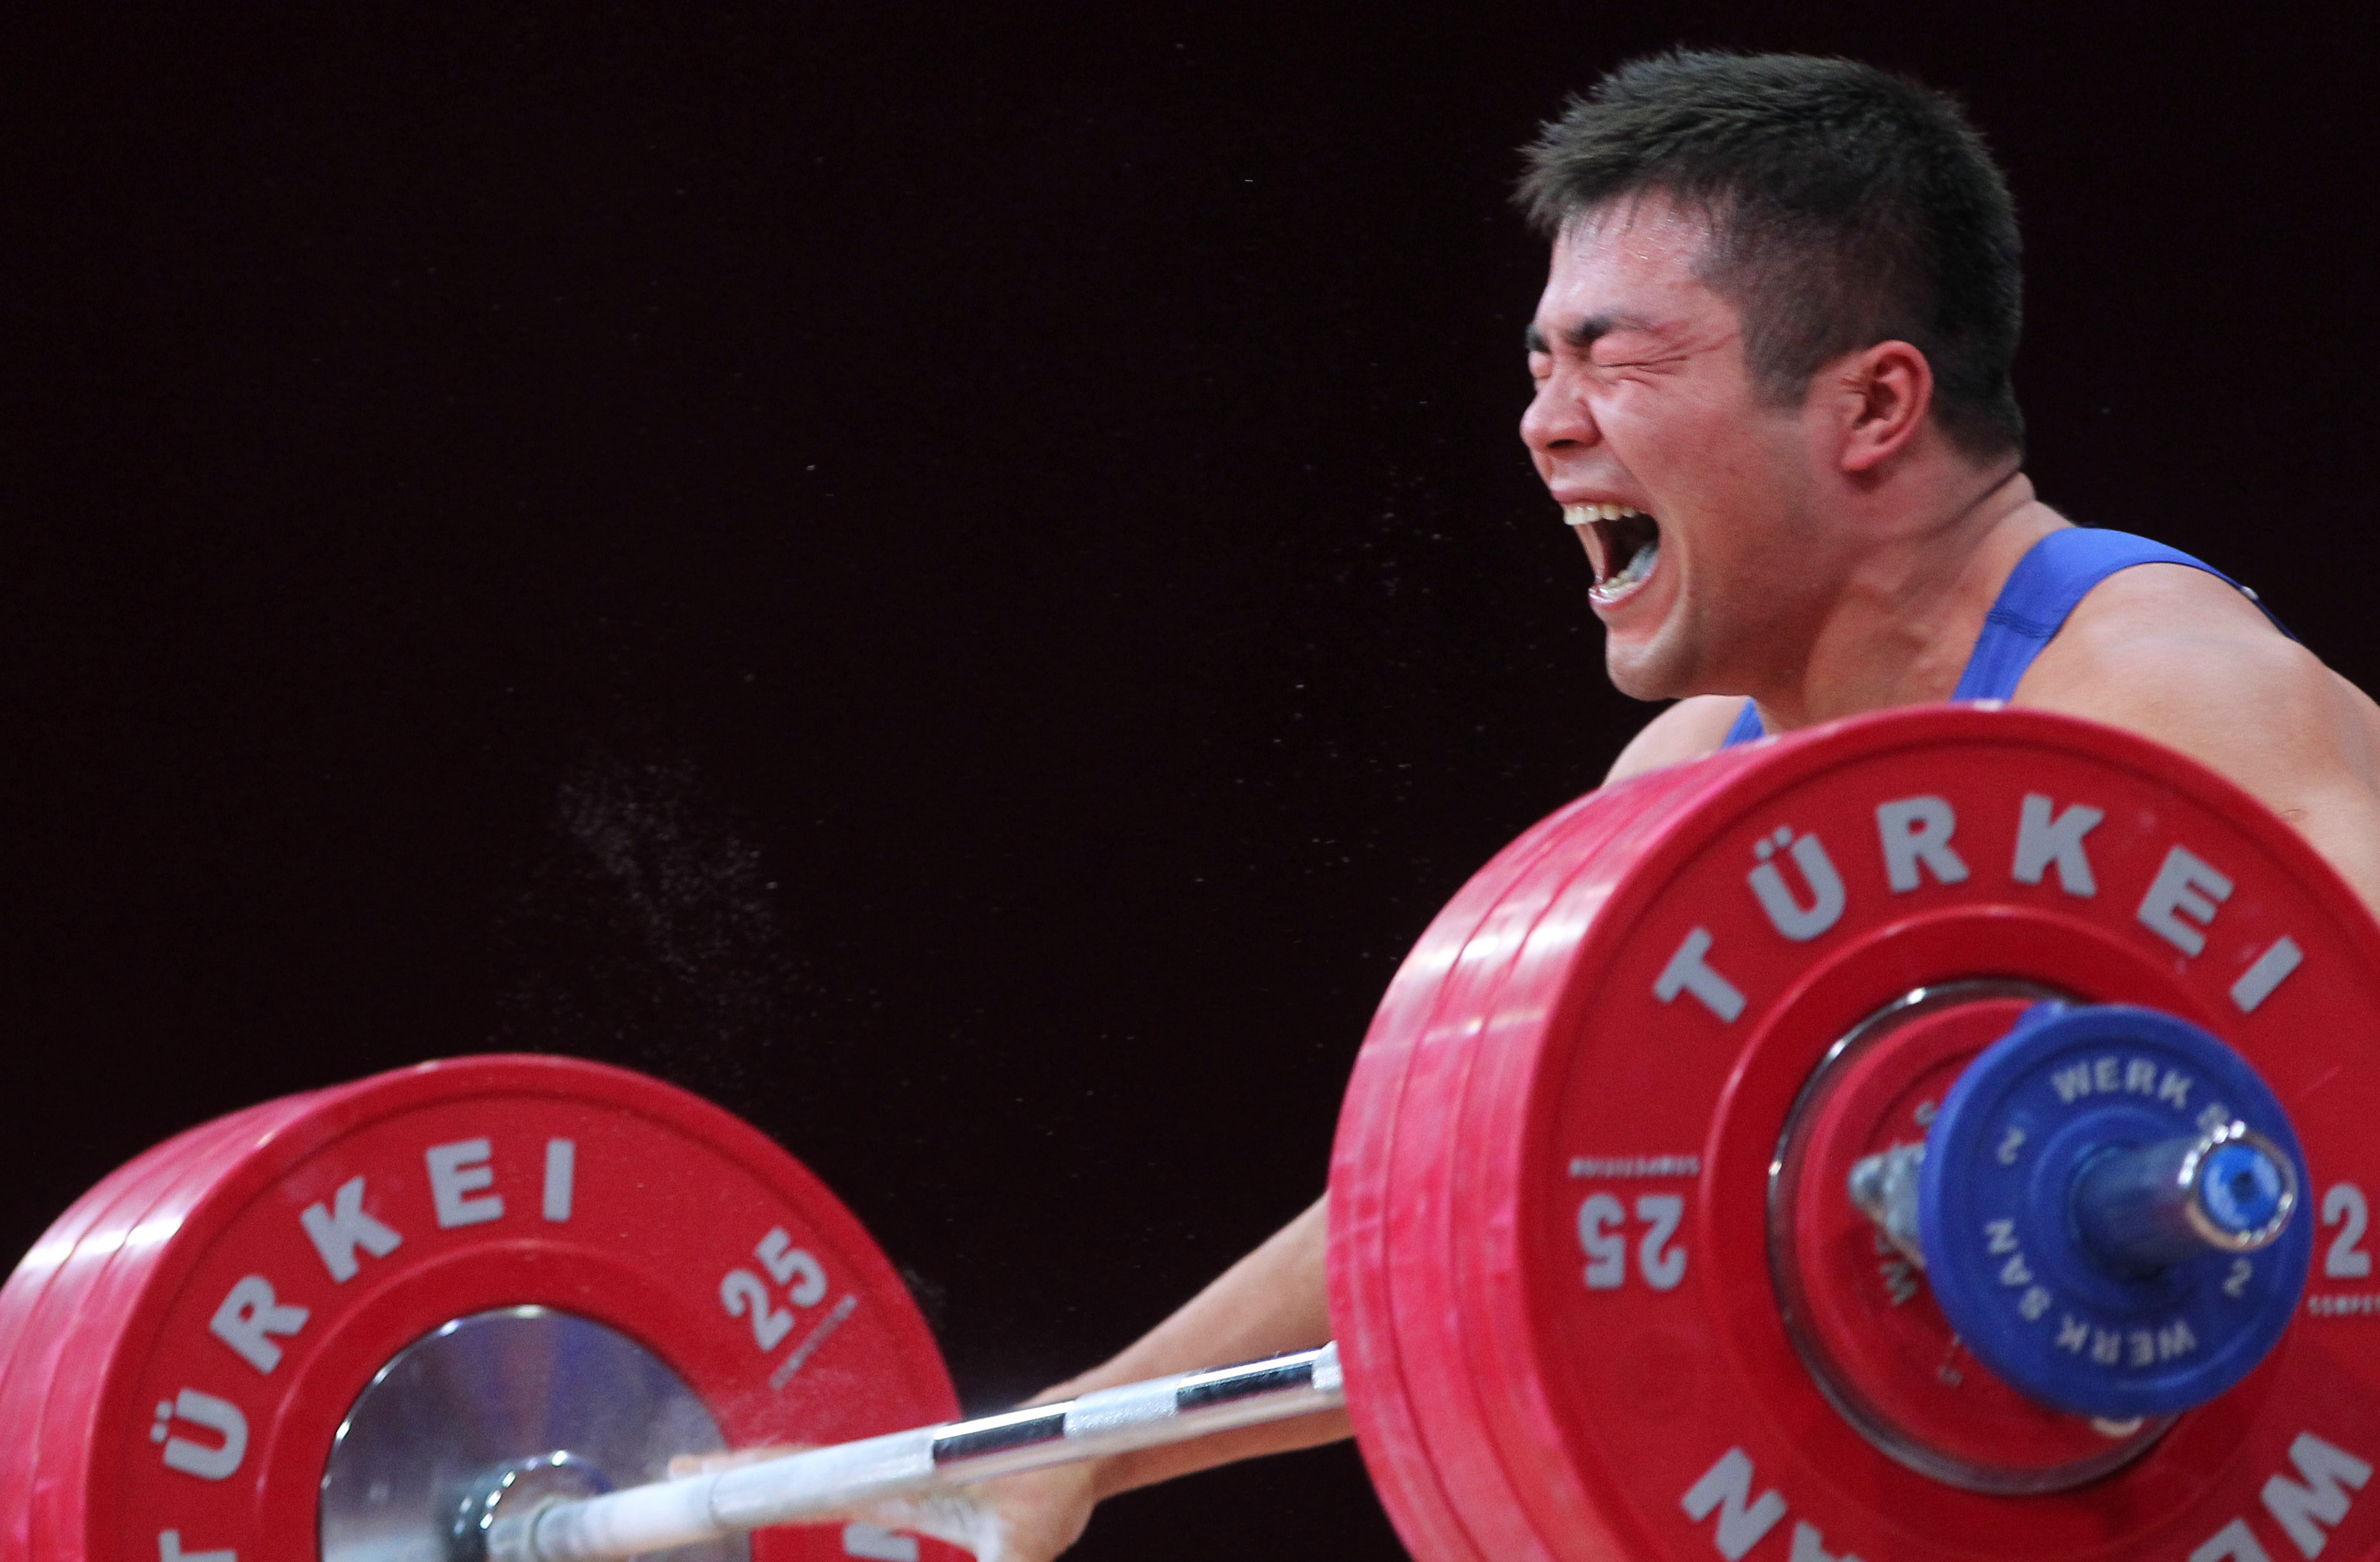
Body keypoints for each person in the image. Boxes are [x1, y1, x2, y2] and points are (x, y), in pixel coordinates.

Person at [818, 49, 2380, 1559]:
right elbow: (1467, 1208)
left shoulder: (2166, 704)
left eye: (1616, 358)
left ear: (1875, 406)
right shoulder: (1699, 776)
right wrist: (1074, 1447)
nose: (1545, 422)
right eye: (1539, 363)